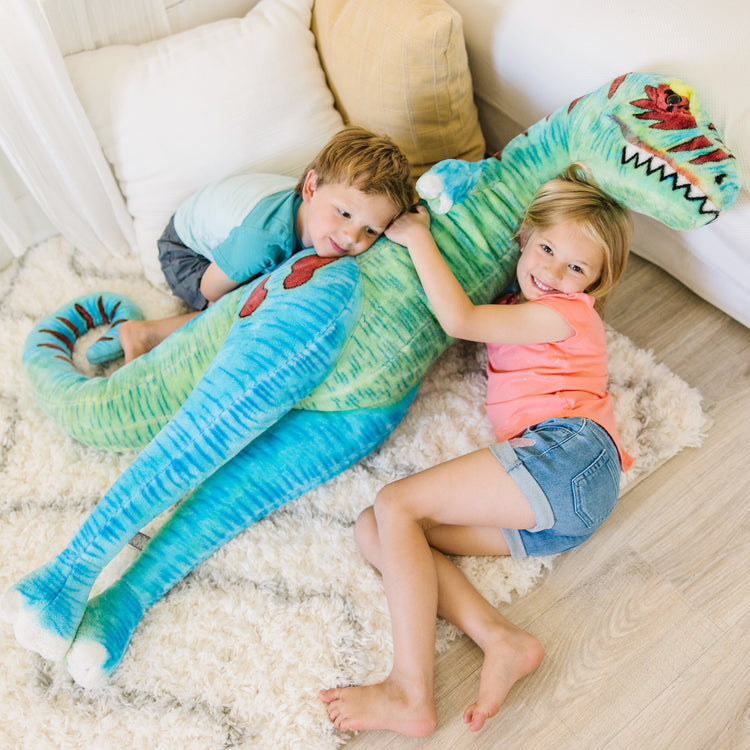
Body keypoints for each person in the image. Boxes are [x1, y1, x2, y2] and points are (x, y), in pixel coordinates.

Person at [319, 164, 633, 737]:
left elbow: (459, 319)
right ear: (524, 236)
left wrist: (416, 236)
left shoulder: (564, 314)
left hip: (569, 454)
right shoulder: (525, 305)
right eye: (545, 248)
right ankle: (501, 638)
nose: (554, 272)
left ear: (594, 285)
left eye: (577, 268)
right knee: (379, 529)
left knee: (396, 504)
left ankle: (410, 691)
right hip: (566, 511)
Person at [96, 126, 413, 363]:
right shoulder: (263, 241)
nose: (351, 238)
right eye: (343, 213)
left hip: (235, 218)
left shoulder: (318, 220)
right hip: (185, 253)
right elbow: (210, 290)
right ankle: (143, 333)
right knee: (247, 313)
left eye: (371, 231)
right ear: (311, 188)